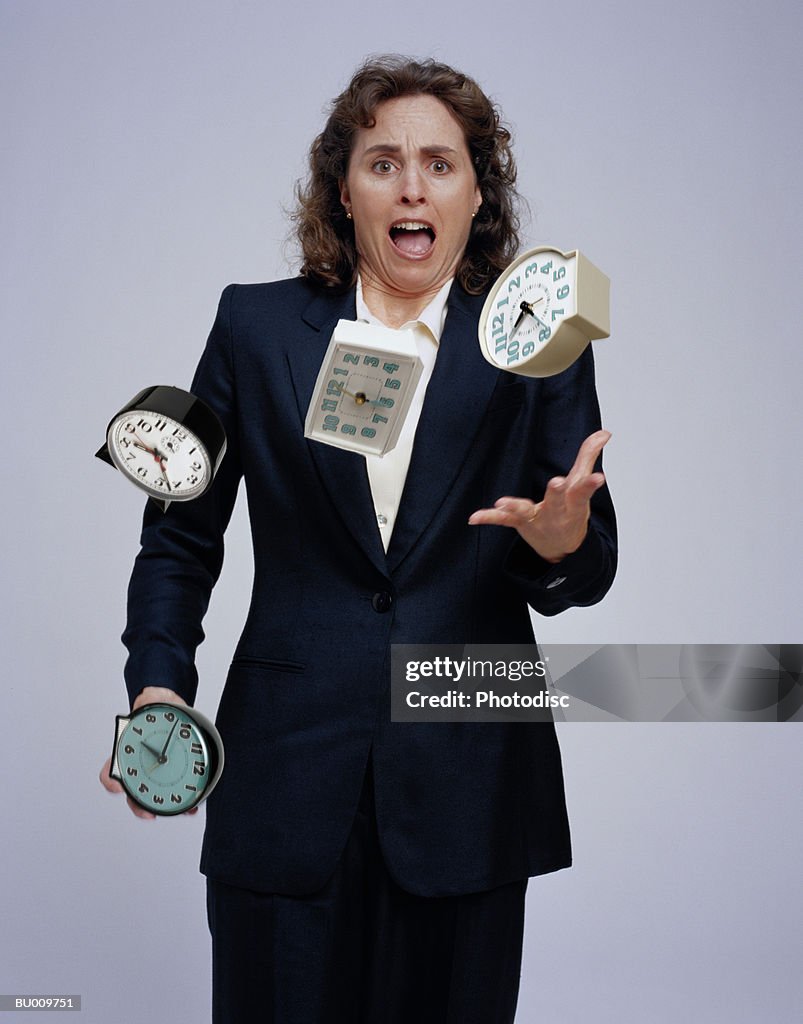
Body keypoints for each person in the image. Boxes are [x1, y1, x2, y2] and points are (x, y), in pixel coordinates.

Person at [101, 55, 617, 1023]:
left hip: (469, 773)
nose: (411, 184)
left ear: (475, 193)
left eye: (439, 163)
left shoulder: (539, 341)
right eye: (382, 162)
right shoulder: (254, 327)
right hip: (286, 775)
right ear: (344, 189)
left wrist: (558, 540)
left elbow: (587, 557)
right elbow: (179, 540)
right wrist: (157, 685)